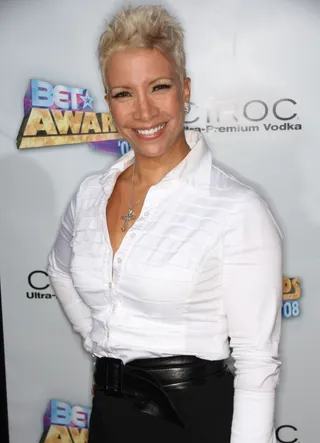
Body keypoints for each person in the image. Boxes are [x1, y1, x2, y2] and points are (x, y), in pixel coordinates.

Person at [48, 5, 282, 443]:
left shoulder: (236, 208)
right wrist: (99, 343)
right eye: (123, 93)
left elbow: (256, 361)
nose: (144, 110)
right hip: (109, 414)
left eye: (158, 87)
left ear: (185, 89)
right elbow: (59, 270)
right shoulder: (89, 195)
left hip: (192, 419)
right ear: (109, 102)